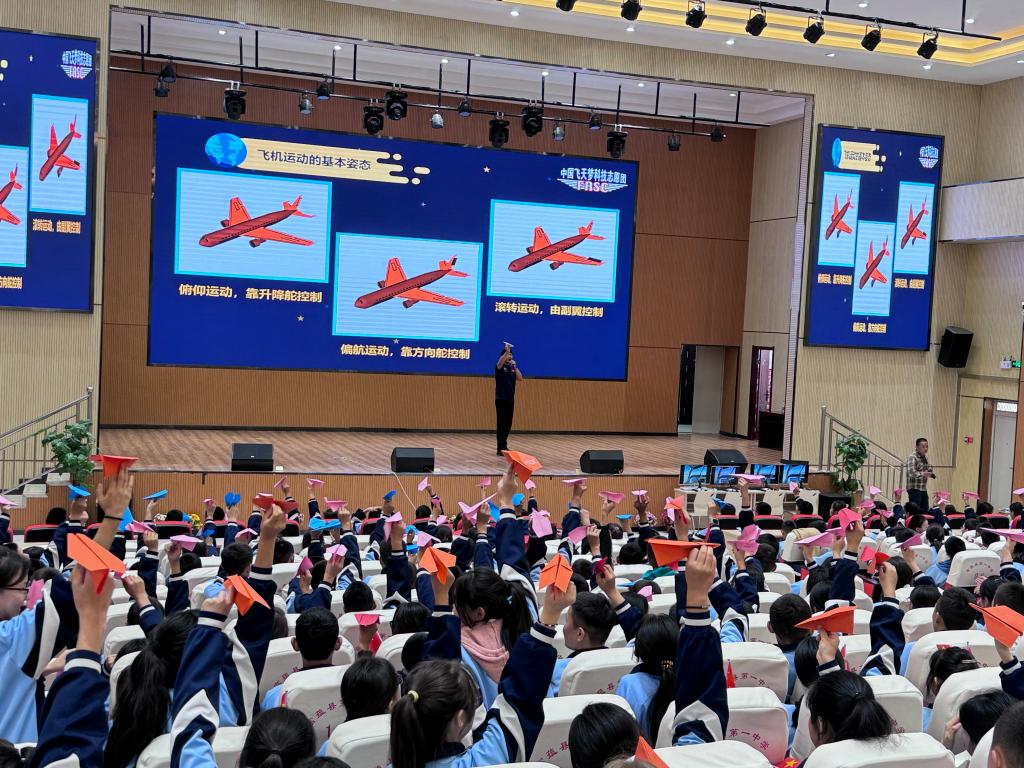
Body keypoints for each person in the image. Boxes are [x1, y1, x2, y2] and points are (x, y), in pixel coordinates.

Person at [494, 342, 523, 455]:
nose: (510, 356)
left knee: (508, 423)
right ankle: (500, 448)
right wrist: (506, 351)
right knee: (501, 423)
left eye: (511, 354)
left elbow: (520, 378)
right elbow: (500, 362)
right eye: (508, 354)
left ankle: (504, 445)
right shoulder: (500, 367)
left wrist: (515, 367)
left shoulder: (512, 367)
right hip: (501, 398)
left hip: (510, 399)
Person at [905, 437, 935, 511]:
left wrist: (930, 471)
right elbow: (911, 472)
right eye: (923, 447)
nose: (925, 449)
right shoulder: (912, 457)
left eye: (927, 446)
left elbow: (929, 469)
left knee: (925, 510)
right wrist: (923, 473)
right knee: (916, 511)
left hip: (923, 488)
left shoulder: (925, 457)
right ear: (917, 447)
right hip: (914, 489)